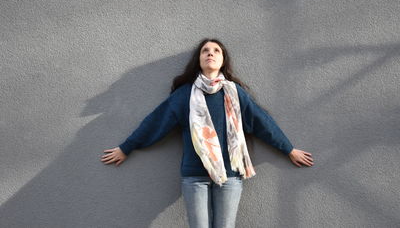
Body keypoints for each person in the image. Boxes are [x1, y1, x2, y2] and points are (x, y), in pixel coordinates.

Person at [100, 38, 314, 228]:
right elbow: (156, 122)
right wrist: (125, 148)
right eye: (205, 51)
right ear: (199, 60)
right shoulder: (185, 95)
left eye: (216, 51)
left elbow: (262, 123)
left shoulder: (234, 94)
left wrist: (289, 150)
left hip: (230, 175)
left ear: (222, 61)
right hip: (194, 177)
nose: (210, 53)